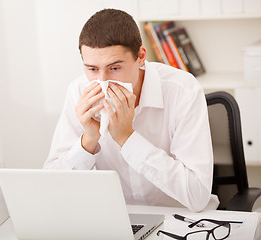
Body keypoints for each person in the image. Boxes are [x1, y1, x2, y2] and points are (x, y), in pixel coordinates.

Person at [43, 8, 218, 212]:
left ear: (141, 56)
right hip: (115, 220)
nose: (103, 82)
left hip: (179, 220)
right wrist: (88, 140)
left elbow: (197, 196)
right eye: (92, 69)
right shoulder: (78, 92)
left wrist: (127, 138)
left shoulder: (182, 91)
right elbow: (53, 188)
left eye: (115, 68)